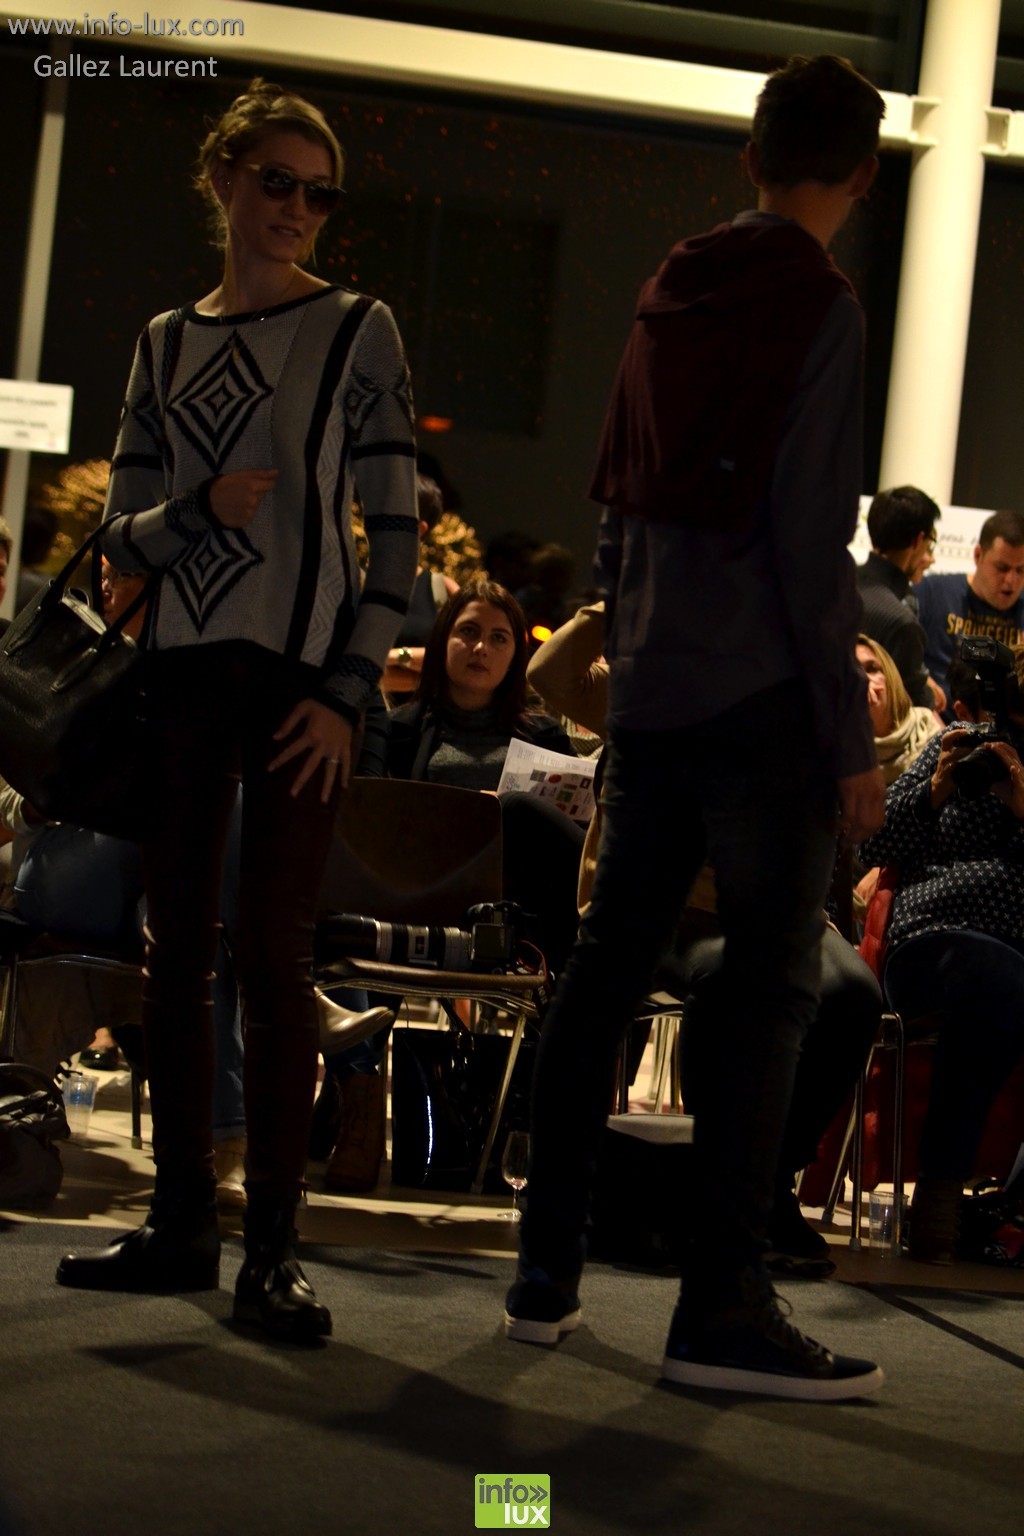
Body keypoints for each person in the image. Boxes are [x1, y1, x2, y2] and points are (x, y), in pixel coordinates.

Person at [504, 55, 887, 1401]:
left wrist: (634, 635)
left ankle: (544, 1275)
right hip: (764, 699)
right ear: (865, 175)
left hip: (658, 685)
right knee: (769, 991)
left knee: (606, 968)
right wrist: (848, 739)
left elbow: (616, 488)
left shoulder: (671, 285)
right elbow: (809, 538)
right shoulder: (821, 306)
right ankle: (721, 1305)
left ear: (749, 156)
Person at [55, 79, 419, 1342]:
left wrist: (347, 692)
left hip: (301, 684)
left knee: (273, 955)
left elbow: (396, 536)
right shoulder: (164, 341)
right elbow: (120, 534)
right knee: (174, 957)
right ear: (220, 179)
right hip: (182, 681)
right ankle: (179, 1224)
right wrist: (196, 512)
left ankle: (272, 1246)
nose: (299, 209)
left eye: (320, 193)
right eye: (277, 182)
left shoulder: (358, 326)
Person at [317, 578, 583, 1193]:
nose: (481, 648)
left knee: (528, 822)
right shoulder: (403, 728)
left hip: (516, 912)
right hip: (418, 898)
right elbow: (376, 823)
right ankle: (353, 1099)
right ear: (442, 642)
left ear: (516, 653)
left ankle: (549, 1131)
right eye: (468, 632)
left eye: (498, 638)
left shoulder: (543, 737)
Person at [859, 645, 1024, 1262]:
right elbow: (869, 844)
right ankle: (943, 1195)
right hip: (929, 946)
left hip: (1010, 959)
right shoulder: (954, 746)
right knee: (995, 979)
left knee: (1000, 983)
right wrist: (933, 790)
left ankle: (978, 1202)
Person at [917, 508, 1024, 706]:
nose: (1011, 580)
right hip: (939, 717)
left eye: (1021, 570)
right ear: (978, 555)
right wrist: (921, 685)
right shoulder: (932, 593)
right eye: (1002, 568)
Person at [856, 485, 944, 710]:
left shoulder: (837, 584)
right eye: (929, 543)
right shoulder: (901, 623)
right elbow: (911, 707)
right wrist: (929, 694)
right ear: (918, 541)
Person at [380, 472, 459, 701]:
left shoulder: (442, 589)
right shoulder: (357, 582)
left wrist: (391, 657)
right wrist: (418, 672)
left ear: (419, 528)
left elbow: (456, 658)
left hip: (423, 717)